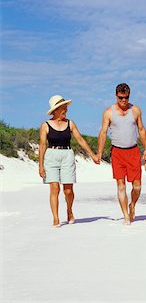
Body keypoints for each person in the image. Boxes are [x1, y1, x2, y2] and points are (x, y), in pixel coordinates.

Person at [39, 95, 100, 227]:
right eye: (63, 108)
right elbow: (42, 145)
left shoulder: (70, 123)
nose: (65, 110)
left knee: (68, 190)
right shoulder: (45, 125)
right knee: (54, 188)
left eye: (66, 108)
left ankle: (69, 210)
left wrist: (93, 155)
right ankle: (56, 218)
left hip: (67, 155)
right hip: (51, 156)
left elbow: (81, 140)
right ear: (55, 110)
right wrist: (41, 166)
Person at [97, 83, 146, 225]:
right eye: (121, 98)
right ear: (116, 96)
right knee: (121, 185)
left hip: (133, 151)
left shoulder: (136, 110)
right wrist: (99, 152)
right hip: (117, 152)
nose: (124, 101)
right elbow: (103, 133)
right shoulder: (108, 112)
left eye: (126, 98)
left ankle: (132, 204)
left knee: (137, 186)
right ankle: (126, 216)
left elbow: (141, 129)